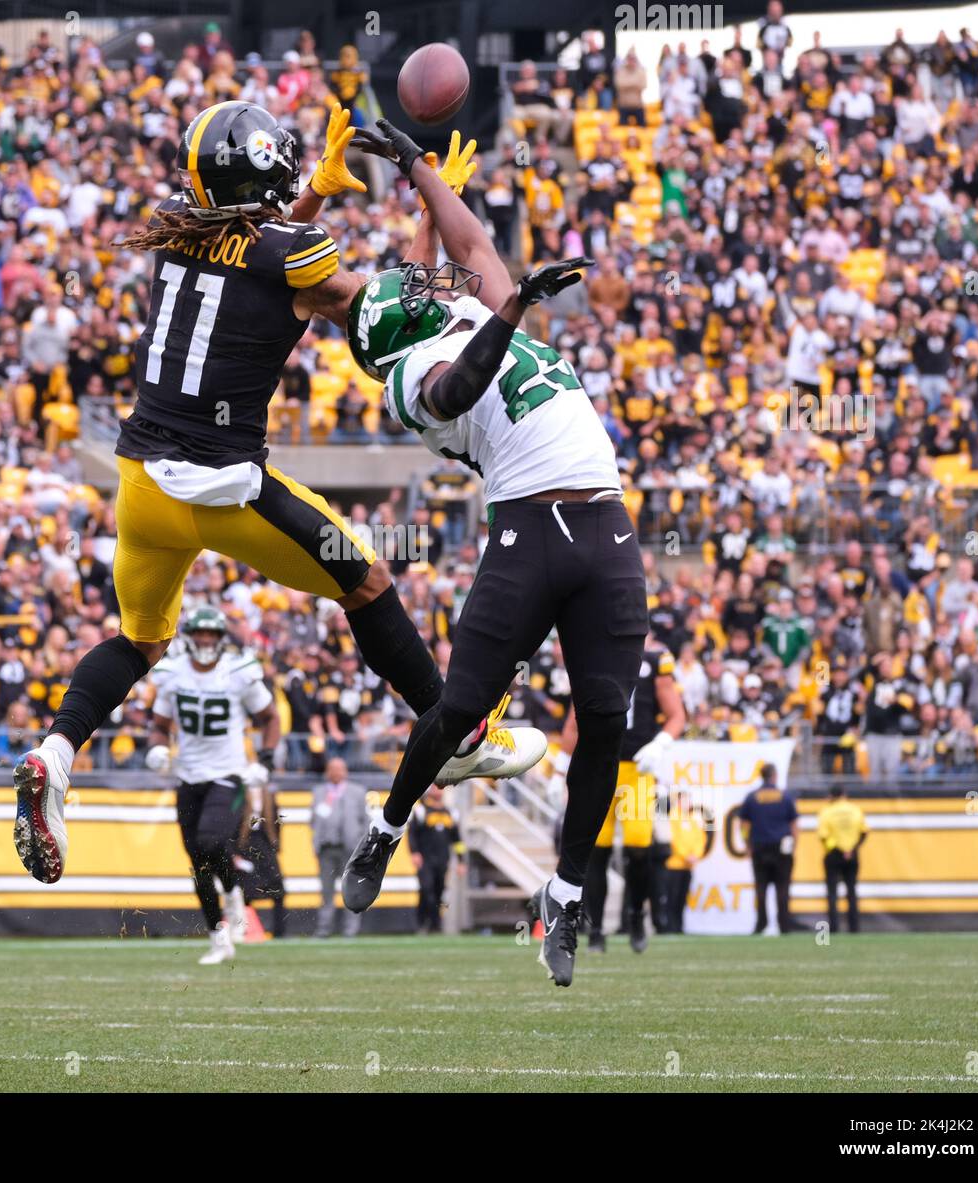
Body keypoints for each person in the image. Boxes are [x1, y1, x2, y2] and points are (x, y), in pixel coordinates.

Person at [12, 103, 544, 886]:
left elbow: (251, 261)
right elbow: (407, 309)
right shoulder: (293, 252)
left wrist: (316, 197)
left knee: (140, 642)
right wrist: (434, 206)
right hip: (223, 487)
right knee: (366, 581)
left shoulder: (175, 230)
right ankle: (460, 737)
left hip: (139, 487)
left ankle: (55, 753)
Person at [338, 120, 648, 988]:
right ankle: (388, 826)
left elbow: (467, 237)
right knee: (460, 708)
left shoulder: (460, 304)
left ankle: (567, 892)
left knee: (608, 717)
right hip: (526, 527)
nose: (429, 282)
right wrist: (511, 307)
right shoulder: (409, 379)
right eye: (415, 287)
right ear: (399, 322)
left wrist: (415, 166)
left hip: (606, 520)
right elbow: (462, 383)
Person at [148, 606, 279, 964]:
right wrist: (158, 747)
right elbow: (159, 724)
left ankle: (234, 892)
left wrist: (265, 760)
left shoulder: (237, 673)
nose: (205, 640)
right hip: (188, 774)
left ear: (221, 639)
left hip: (227, 773)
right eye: (200, 634)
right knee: (198, 863)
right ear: (190, 637)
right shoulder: (173, 674)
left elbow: (270, 718)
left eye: (212, 634)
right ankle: (218, 937)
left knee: (210, 840)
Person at [560, 631, 686, 954]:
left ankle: (636, 917)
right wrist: (562, 766)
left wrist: (660, 743)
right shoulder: (594, 655)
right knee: (596, 851)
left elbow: (676, 716)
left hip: (636, 769)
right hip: (600, 767)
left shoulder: (655, 661)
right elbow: (574, 721)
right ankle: (596, 930)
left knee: (638, 848)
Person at [738, 763, 798, 936]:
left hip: (759, 846)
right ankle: (784, 925)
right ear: (774, 776)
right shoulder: (785, 796)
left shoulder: (752, 797)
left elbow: (743, 824)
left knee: (761, 888)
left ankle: (761, 923)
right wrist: (794, 845)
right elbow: (794, 824)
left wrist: (747, 843)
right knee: (783, 888)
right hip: (782, 847)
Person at [312, 757, 369, 939]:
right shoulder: (319, 792)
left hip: (350, 849)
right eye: (332, 769)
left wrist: (360, 844)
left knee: (350, 890)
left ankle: (350, 930)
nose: (336, 772)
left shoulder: (357, 792)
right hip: (327, 848)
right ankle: (324, 929)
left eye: (339, 769)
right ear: (327, 772)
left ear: (345, 771)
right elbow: (313, 820)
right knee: (326, 892)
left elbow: (365, 820)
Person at [237, 770, 286, 938]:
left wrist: (276, 843)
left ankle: (279, 930)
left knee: (277, 887)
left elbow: (277, 822)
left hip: (265, 844)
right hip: (246, 845)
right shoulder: (241, 796)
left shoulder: (270, 796)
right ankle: (245, 930)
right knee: (245, 891)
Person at [407, 785, 461, 933]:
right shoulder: (421, 811)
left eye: (439, 788)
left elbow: (457, 840)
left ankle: (433, 925)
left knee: (439, 891)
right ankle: (425, 922)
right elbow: (411, 834)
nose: (437, 791)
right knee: (426, 889)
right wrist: (414, 852)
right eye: (434, 789)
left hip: (443, 860)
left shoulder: (451, 813)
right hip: (425, 859)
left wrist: (461, 861)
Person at [818, 785, 867, 934]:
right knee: (851, 892)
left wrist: (838, 849)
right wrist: (851, 850)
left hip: (833, 855)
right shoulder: (855, 809)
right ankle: (854, 928)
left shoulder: (827, 811)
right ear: (844, 794)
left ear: (831, 796)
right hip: (852, 855)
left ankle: (833, 928)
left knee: (832, 893)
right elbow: (864, 832)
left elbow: (823, 836)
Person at [663, 791, 707, 934]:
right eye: (684, 800)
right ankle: (670, 926)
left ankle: (679, 926)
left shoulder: (692, 819)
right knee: (672, 897)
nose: (687, 803)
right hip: (674, 864)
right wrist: (685, 855)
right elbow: (673, 839)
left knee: (682, 898)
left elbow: (700, 839)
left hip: (688, 866)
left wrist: (696, 854)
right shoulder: (672, 818)